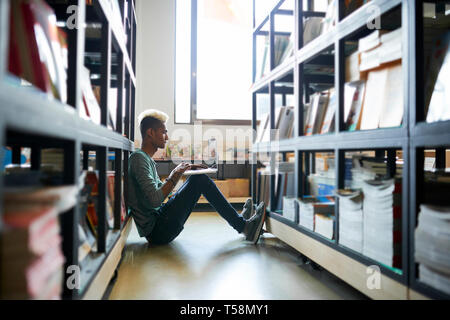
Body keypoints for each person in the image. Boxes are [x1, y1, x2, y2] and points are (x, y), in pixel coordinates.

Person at [128, 109, 266, 245]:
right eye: (163, 132)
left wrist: (177, 173)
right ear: (150, 133)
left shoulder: (145, 159)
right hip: (158, 231)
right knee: (200, 180)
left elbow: (158, 194)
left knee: (197, 178)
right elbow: (155, 201)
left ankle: (241, 221)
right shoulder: (138, 159)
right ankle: (244, 227)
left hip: (160, 222)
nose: (167, 137)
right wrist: (175, 175)